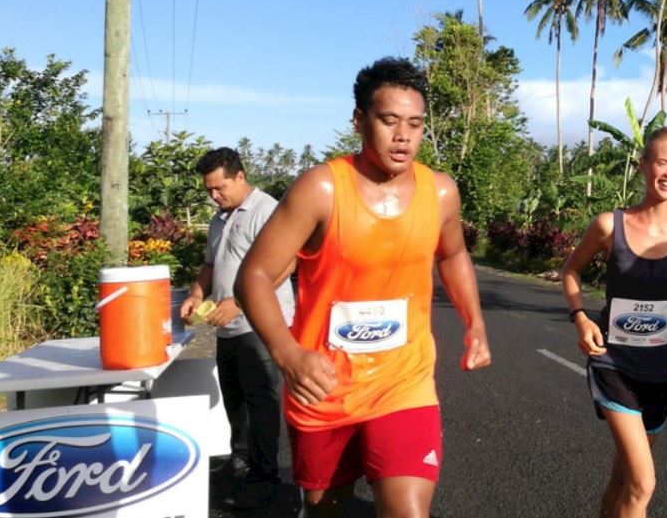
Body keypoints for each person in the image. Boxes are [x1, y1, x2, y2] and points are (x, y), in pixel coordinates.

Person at [235, 57, 492, 518]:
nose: (403, 136)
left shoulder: (440, 193)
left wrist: (475, 324)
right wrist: (288, 354)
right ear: (359, 120)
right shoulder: (321, 190)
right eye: (389, 120)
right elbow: (253, 275)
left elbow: (452, 254)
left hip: (404, 383)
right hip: (325, 388)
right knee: (325, 510)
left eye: (414, 124)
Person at [560, 126, 667, 518]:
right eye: (662, 162)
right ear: (643, 166)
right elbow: (570, 271)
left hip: (662, 370)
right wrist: (580, 318)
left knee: (623, 481)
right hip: (613, 364)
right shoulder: (610, 224)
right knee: (643, 483)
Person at [181, 146, 295, 510]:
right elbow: (211, 264)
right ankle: (240, 461)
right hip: (226, 325)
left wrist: (242, 302)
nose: (214, 195)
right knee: (234, 399)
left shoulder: (269, 211)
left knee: (261, 401)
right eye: (209, 190)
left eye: (220, 188)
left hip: (260, 324)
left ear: (240, 176)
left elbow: (286, 265)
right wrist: (197, 294)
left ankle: (266, 477)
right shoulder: (219, 218)